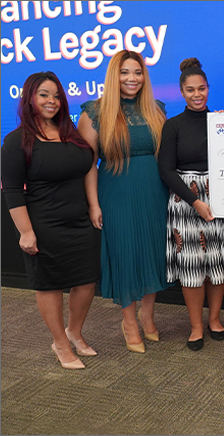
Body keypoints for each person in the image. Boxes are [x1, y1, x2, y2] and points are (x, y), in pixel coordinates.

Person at [3, 72, 101, 369]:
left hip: (79, 221)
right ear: (30, 98)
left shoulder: (71, 134)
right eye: (44, 94)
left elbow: (88, 167)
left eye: (57, 96)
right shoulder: (17, 141)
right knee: (49, 286)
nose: (52, 101)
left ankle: (74, 332)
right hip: (44, 225)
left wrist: (94, 206)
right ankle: (60, 342)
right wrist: (26, 232)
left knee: (86, 282)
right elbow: (11, 190)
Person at [77, 49, 172, 353]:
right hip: (116, 192)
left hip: (154, 191)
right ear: (113, 75)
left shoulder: (156, 109)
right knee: (126, 253)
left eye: (138, 72)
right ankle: (129, 322)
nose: (132, 79)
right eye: (125, 72)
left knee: (152, 251)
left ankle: (148, 315)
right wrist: (93, 204)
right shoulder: (94, 111)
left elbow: (168, 153)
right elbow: (87, 164)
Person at [157, 58, 224, 352]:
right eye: (190, 90)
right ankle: (196, 326)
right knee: (192, 266)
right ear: (181, 92)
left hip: (221, 196)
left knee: (219, 261)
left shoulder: (222, 122)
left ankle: (215, 319)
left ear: (208, 89)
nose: (197, 95)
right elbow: (166, 171)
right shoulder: (172, 126)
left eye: (202, 89)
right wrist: (195, 201)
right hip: (187, 201)